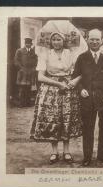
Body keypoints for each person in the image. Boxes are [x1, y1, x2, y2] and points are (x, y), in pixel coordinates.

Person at [30, 20, 87, 164]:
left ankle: (66, 151)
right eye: (54, 39)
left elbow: (81, 72)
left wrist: (74, 81)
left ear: (64, 40)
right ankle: (54, 151)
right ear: (50, 41)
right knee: (53, 120)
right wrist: (57, 83)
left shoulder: (70, 53)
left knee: (66, 119)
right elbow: (40, 76)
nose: (56, 42)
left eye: (59, 39)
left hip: (68, 89)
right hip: (51, 90)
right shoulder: (45, 54)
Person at [72, 29, 103, 167]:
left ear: (102, 40)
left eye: (97, 39)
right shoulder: (82, 57)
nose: (95, 42)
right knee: (88, 128)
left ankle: (102, 155)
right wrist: (81, 90)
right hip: (88, 99)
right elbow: (75, 78)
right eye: (92, 39)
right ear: (87, 39)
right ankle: (87, 157)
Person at [14, 37, 38, 107]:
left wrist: (34, 68)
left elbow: (36, 61)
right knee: (22, 88)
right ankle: (21, 103)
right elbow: (16, 61)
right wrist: (21, 68)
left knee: (29, 87)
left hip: (30, 72)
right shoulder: (19, 51)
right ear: (25, 44)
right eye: (27, 43)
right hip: (22, 72)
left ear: (31, 44)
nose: (28, 45)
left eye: (29, 44)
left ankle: (28, 103)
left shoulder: (33, 52)